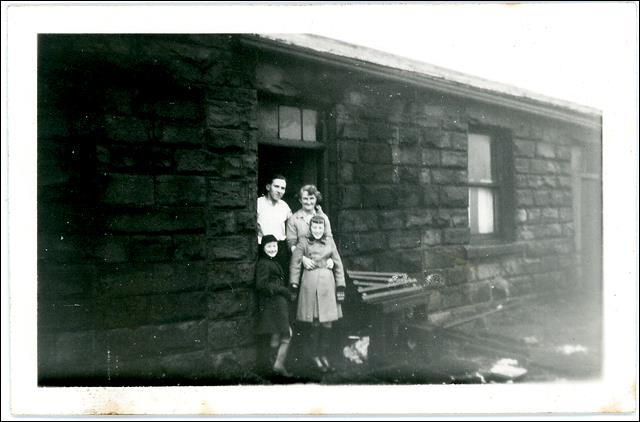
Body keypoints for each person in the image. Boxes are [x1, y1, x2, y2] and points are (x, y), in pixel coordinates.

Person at [289, 215, 345, 373]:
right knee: (314, 322)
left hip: (327, 285)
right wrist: (294, 283)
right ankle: (314, 356)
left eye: (320, 227)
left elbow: (338, 264)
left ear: (324, 228)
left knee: (327, 322)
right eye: (315, 227)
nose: (318, 230)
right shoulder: (303, 242)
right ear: (310, 228)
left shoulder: (330, 242)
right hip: (310, 285)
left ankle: (323, 354)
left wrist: (340, 285)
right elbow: (295, 263)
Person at [255, 235, 293, 377]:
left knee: (277, 334)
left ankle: (272, 365)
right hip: (273, 303)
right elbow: (261, 284)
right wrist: (282, 290)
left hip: (277, 303)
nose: (272, 249)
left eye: (274, 246)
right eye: (269, 246)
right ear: (264, 248)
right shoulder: (264, 263)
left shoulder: (272, 261)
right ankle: (278, 364)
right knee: (287, 333)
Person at [286, 184, 333, 272]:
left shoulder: (323, 217)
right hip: (302, 261)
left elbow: (329, 239)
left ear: (316, 199)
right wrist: (303, 259)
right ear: (300, 200)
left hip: (323, 259)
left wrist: (330, 258)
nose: (308, 202)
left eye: (311, 198)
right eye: (305, 198)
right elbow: (292, 244)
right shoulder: (293, 219)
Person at [257, 175, 292, 272]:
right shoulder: (258, 203)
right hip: (263, 247)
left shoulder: (284, 206)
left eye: (283, 188)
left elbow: (294, 222)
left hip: (280, 248)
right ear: (268, 187)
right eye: (276, 186)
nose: (279, 191)